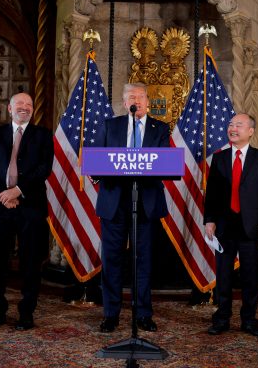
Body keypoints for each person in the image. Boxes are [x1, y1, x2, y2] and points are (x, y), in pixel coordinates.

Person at [94, 82, 170, 333]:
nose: (135, 100)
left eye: (140, 96)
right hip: (114, 201)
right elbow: (97, 160)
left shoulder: (160, 128)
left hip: (145, 201)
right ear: (125, 103)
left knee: (143, 260)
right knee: (112, 259)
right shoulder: (110, 125)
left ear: (147, 102)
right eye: (130, 97)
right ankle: (110, 314)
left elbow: (164, 163)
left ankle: (143, 314)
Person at [0, 92, 53, 331]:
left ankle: (26, 313)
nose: (24, 107)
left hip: (30, 206)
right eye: (19, 104)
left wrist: (18, 191)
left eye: (29, 104)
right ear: (9, 108)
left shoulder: (42, 135)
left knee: (30, 262)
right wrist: (2, 194)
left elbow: (44, 168)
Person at [203, 113, 258, 337]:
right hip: (224, 226)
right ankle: (222, 318)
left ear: (251, 131)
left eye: (239, 125)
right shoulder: (219, 158)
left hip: (251, 227)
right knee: (223, 276)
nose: (233, 128)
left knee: (250, 277)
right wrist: (210, 220)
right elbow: (212, 193)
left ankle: (249, 320)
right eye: (231, 124)